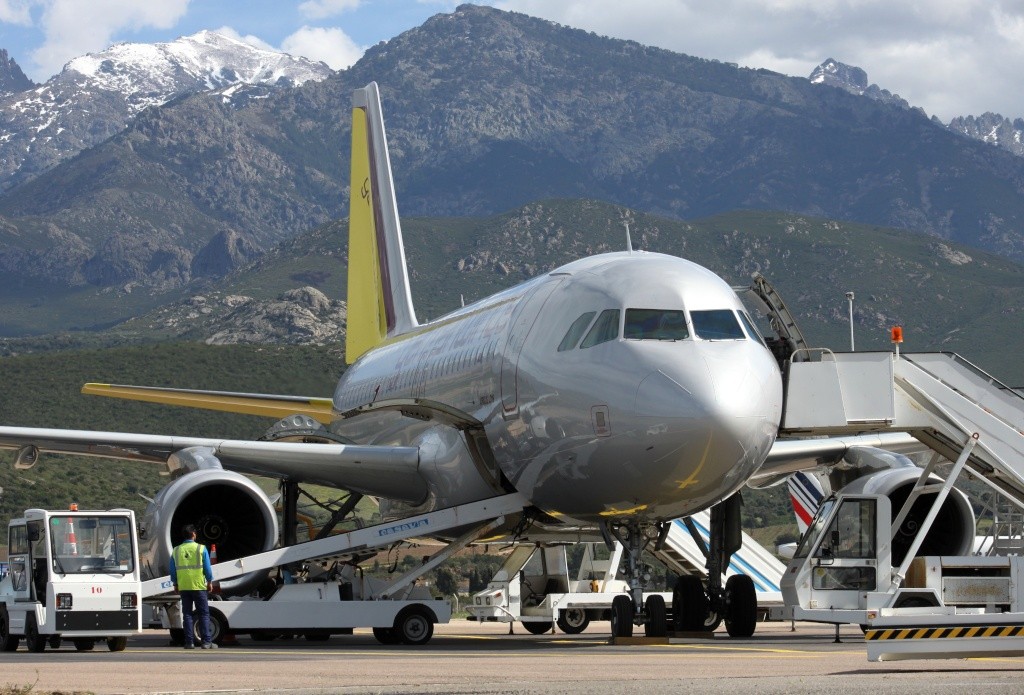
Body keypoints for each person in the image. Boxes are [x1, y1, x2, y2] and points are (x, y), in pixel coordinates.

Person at [169, 524, 217, 650]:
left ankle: (189, 642)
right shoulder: (201, 548)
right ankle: (206, 642)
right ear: (194, 534)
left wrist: (175, 583)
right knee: (203, 614)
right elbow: (207, 568)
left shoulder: (176, 550)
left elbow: (172, 570)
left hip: (184, 586)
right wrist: (210, 581)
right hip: (199, 586)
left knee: (187, 614)